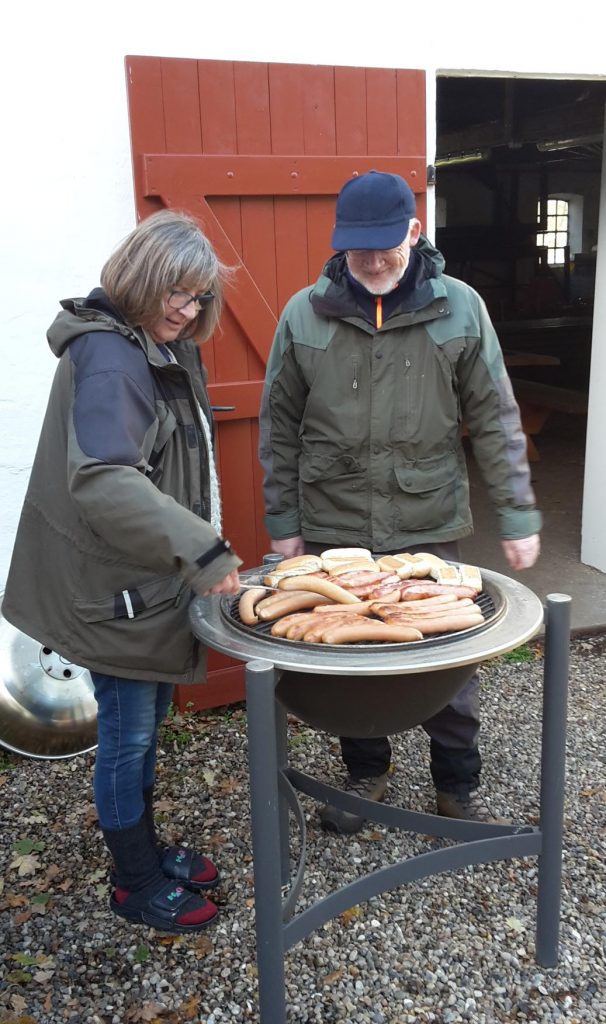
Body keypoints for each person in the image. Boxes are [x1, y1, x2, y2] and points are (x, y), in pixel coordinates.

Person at [259, 170, 541, 834]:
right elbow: (277, 428)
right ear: (340, 243)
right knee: (352, 662)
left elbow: (496, 419)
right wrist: (284, 524)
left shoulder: (461, 308)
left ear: (415, 231)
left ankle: (456, 783)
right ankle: (366, 773)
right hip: (334, 520)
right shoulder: (305, 313)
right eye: (361, 250)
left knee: (446, 656)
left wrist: (519, 513)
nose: (376, 262)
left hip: (426, 520)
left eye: (388, 245)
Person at [3, 210, 242, 931]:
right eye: (175, 290)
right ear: (139, 278)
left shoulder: (151, 345)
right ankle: (133, 883)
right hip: (119, 594)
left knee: (146, 723)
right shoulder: (111, 355)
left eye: (199, 296)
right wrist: (203, 549)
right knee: (127, 735)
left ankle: (147, 851)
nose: (187, 308)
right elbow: (106, 479)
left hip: (149, 582)